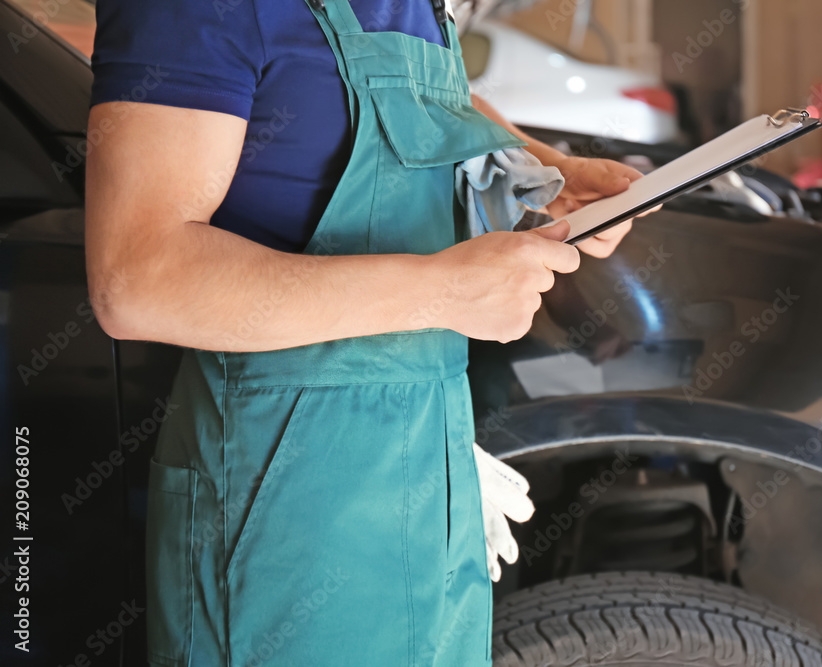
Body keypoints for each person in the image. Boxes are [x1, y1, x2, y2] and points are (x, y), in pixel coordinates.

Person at [85, 0, 648, 664]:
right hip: (283, 515)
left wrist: (546, 172)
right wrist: (442, 291)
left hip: (428, 484)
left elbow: (410, 106)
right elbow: (137, 279)